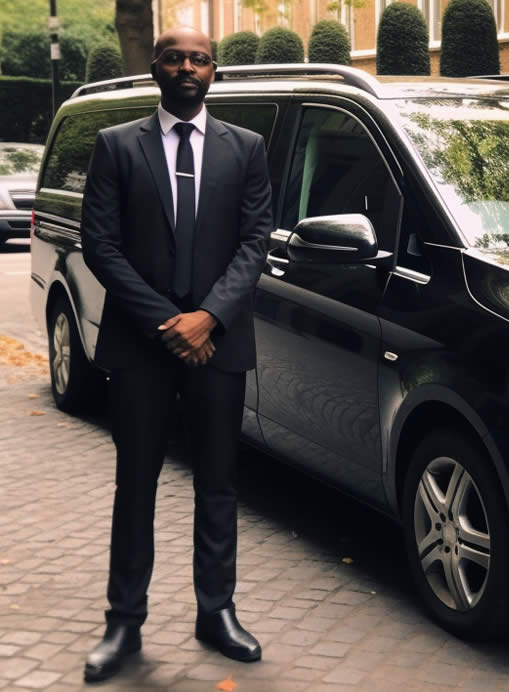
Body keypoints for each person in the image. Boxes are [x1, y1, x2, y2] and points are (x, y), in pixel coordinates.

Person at [80, 26, 271, 682]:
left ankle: (216, 612)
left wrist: (209, 316)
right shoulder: (115, 147)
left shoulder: (246, 149)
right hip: (141, 346)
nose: (188, 67)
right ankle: (123, 621)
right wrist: (169, 321)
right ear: (156, 69)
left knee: (219, 484)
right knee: (135, 486)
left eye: (199, 58)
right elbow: (100, 245)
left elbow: (255, 241)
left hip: (220, 343)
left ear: (214, 71)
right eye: (175, 58)